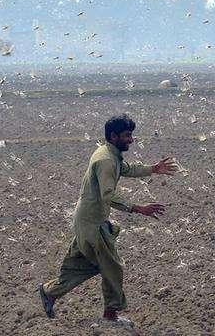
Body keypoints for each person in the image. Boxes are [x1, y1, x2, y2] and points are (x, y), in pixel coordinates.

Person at [38, 114, 177, 324]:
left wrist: (153, 169)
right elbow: (108, 195)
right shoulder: (106, 160)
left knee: (84, 264)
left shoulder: (110, 154)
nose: (131, 140)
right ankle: (111, 316)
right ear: (113, 136)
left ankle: (49, 293)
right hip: (93, 225)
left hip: (86, 221)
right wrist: (139, 208)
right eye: (127, 135)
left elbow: (126, 169)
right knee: (112, 267)